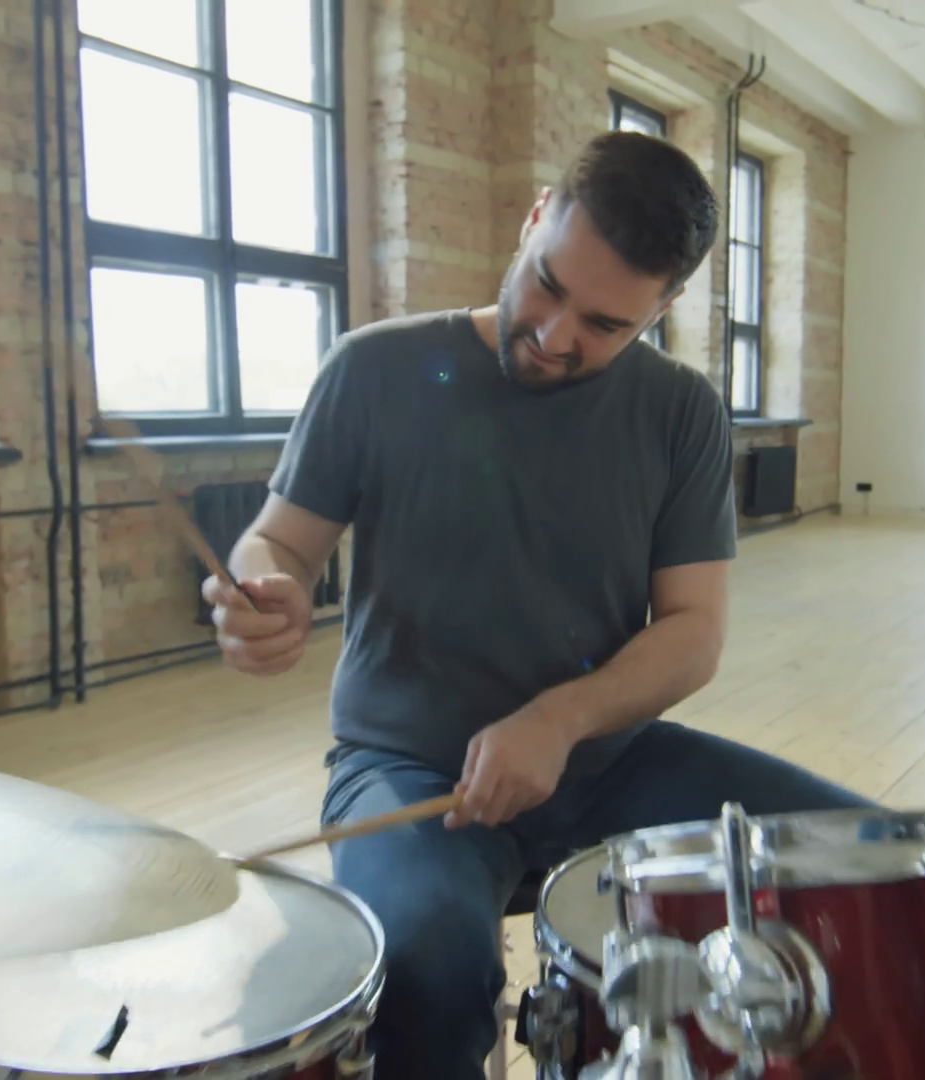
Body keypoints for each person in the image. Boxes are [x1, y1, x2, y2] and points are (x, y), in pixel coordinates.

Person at [205, 131, 873, 1079]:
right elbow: (278, 542)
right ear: (532, 221)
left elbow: (693, 633)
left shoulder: (682, 412)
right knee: (429, 963)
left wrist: (559, 721)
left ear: (662, 310)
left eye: (604, 324)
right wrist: (263, 587)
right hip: (409, 767)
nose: (556, 335)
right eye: (547, 284)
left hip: (606, 759)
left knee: (870, 862)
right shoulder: (373, 368)